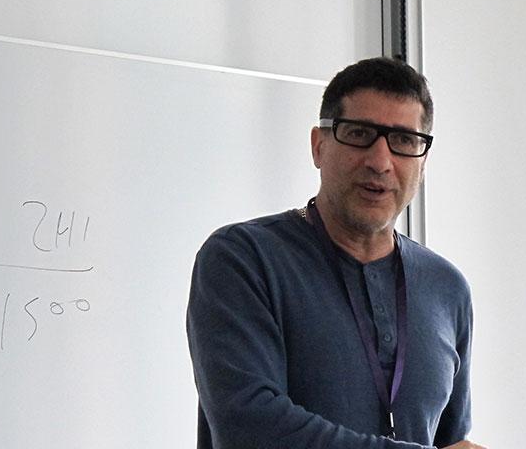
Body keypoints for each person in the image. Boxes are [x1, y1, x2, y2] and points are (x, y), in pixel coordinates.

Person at [187, 57, 486, 449]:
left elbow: (450, 442)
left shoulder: (446, 288)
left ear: (423, 161)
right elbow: (251, 428)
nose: (380, 162)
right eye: (359, 134)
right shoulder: (244, 260)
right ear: (319, 146)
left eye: (403, 141)